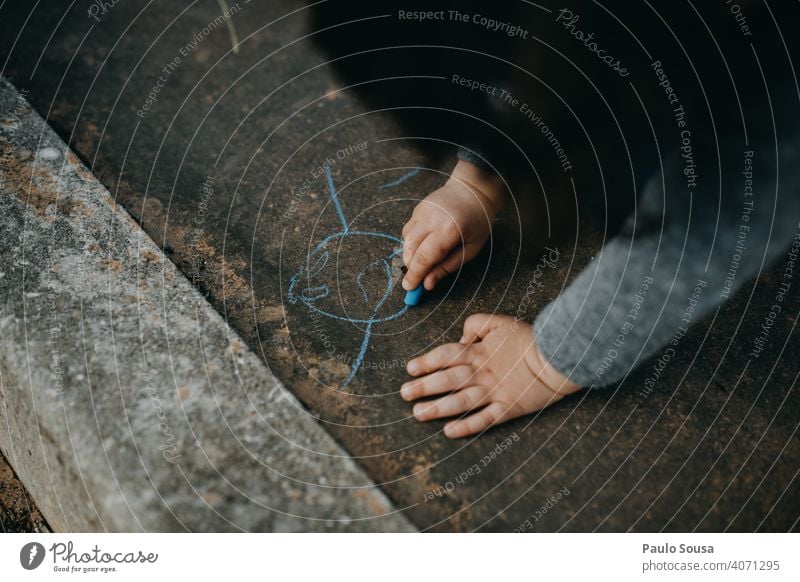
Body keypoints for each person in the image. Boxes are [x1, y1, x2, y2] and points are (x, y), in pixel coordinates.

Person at [310, 0, 800, 437]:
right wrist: (477, 181)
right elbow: (528, 66)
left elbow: (711, 225)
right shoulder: (557, 32)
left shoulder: (762, 100)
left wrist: (550, 360)